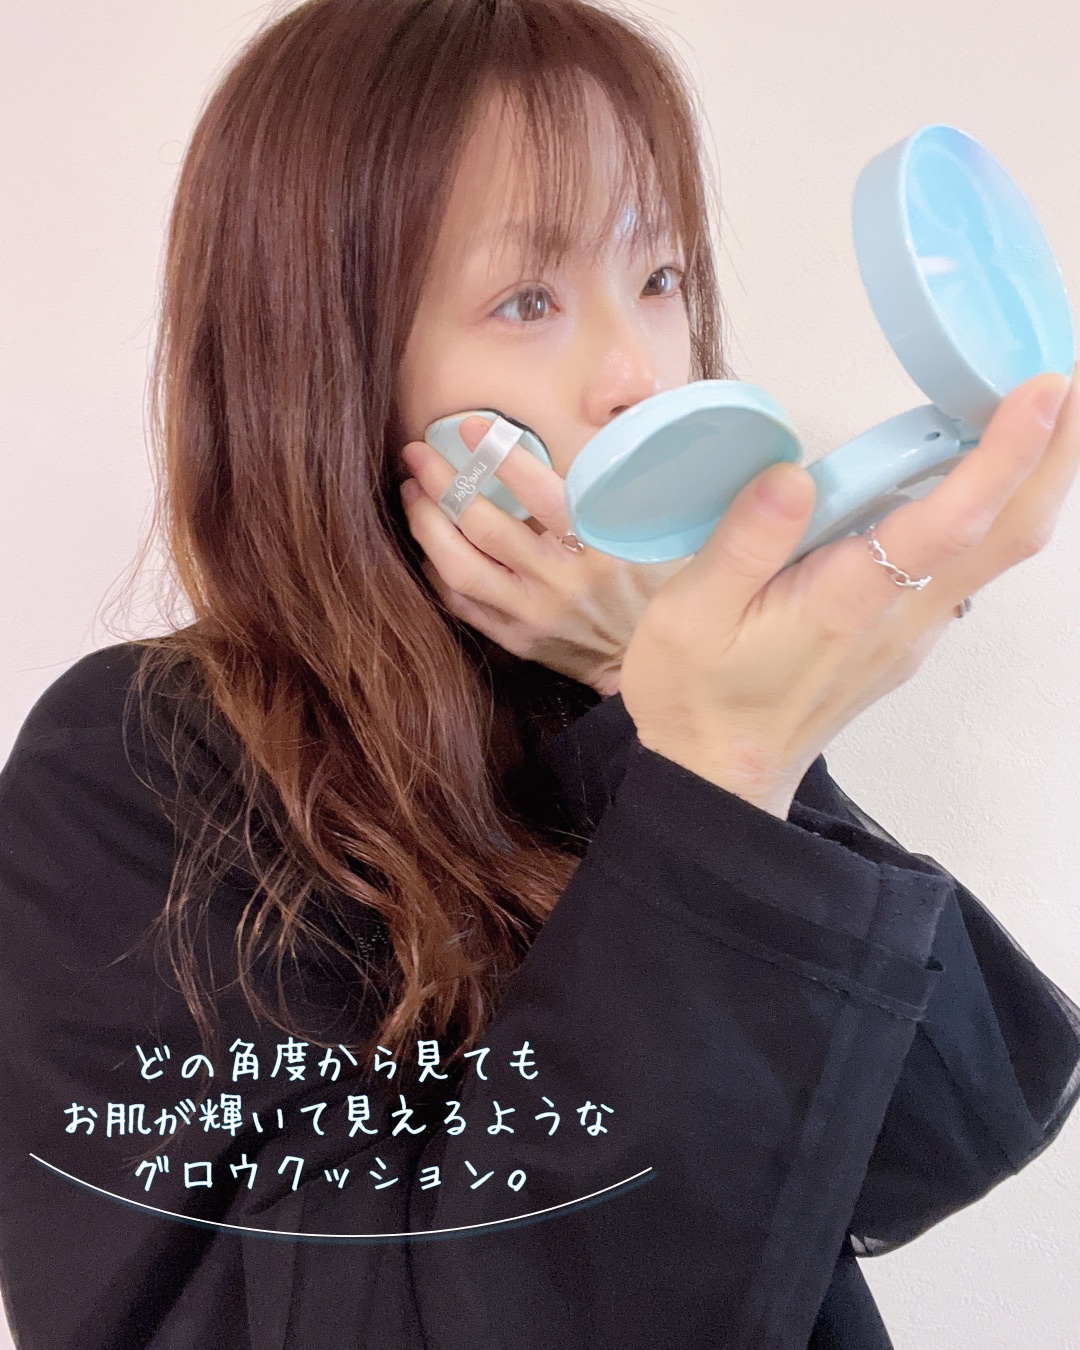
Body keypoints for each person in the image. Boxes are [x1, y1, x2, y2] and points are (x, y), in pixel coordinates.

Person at [1, 0, 1078, 1346]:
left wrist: (661, 702)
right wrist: (713, 763)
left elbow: (948, 1124)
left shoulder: (624, 694)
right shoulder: (138, 764)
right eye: (528, 299)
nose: (637, 373)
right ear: (327, 363)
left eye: (661, 277)